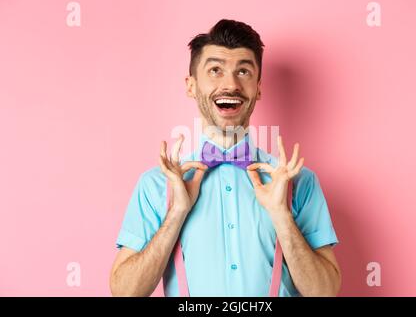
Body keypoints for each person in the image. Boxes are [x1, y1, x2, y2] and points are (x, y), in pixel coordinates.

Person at [110, 19, 341, 297]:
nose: (230, 84)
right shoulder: (157, 185)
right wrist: (176, 212)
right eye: (215, 70)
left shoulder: (298, 181)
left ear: (258, 87)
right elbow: (124, 292)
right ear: (191, 86)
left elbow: (325, 293)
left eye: (243, 71)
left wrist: (282, 215)